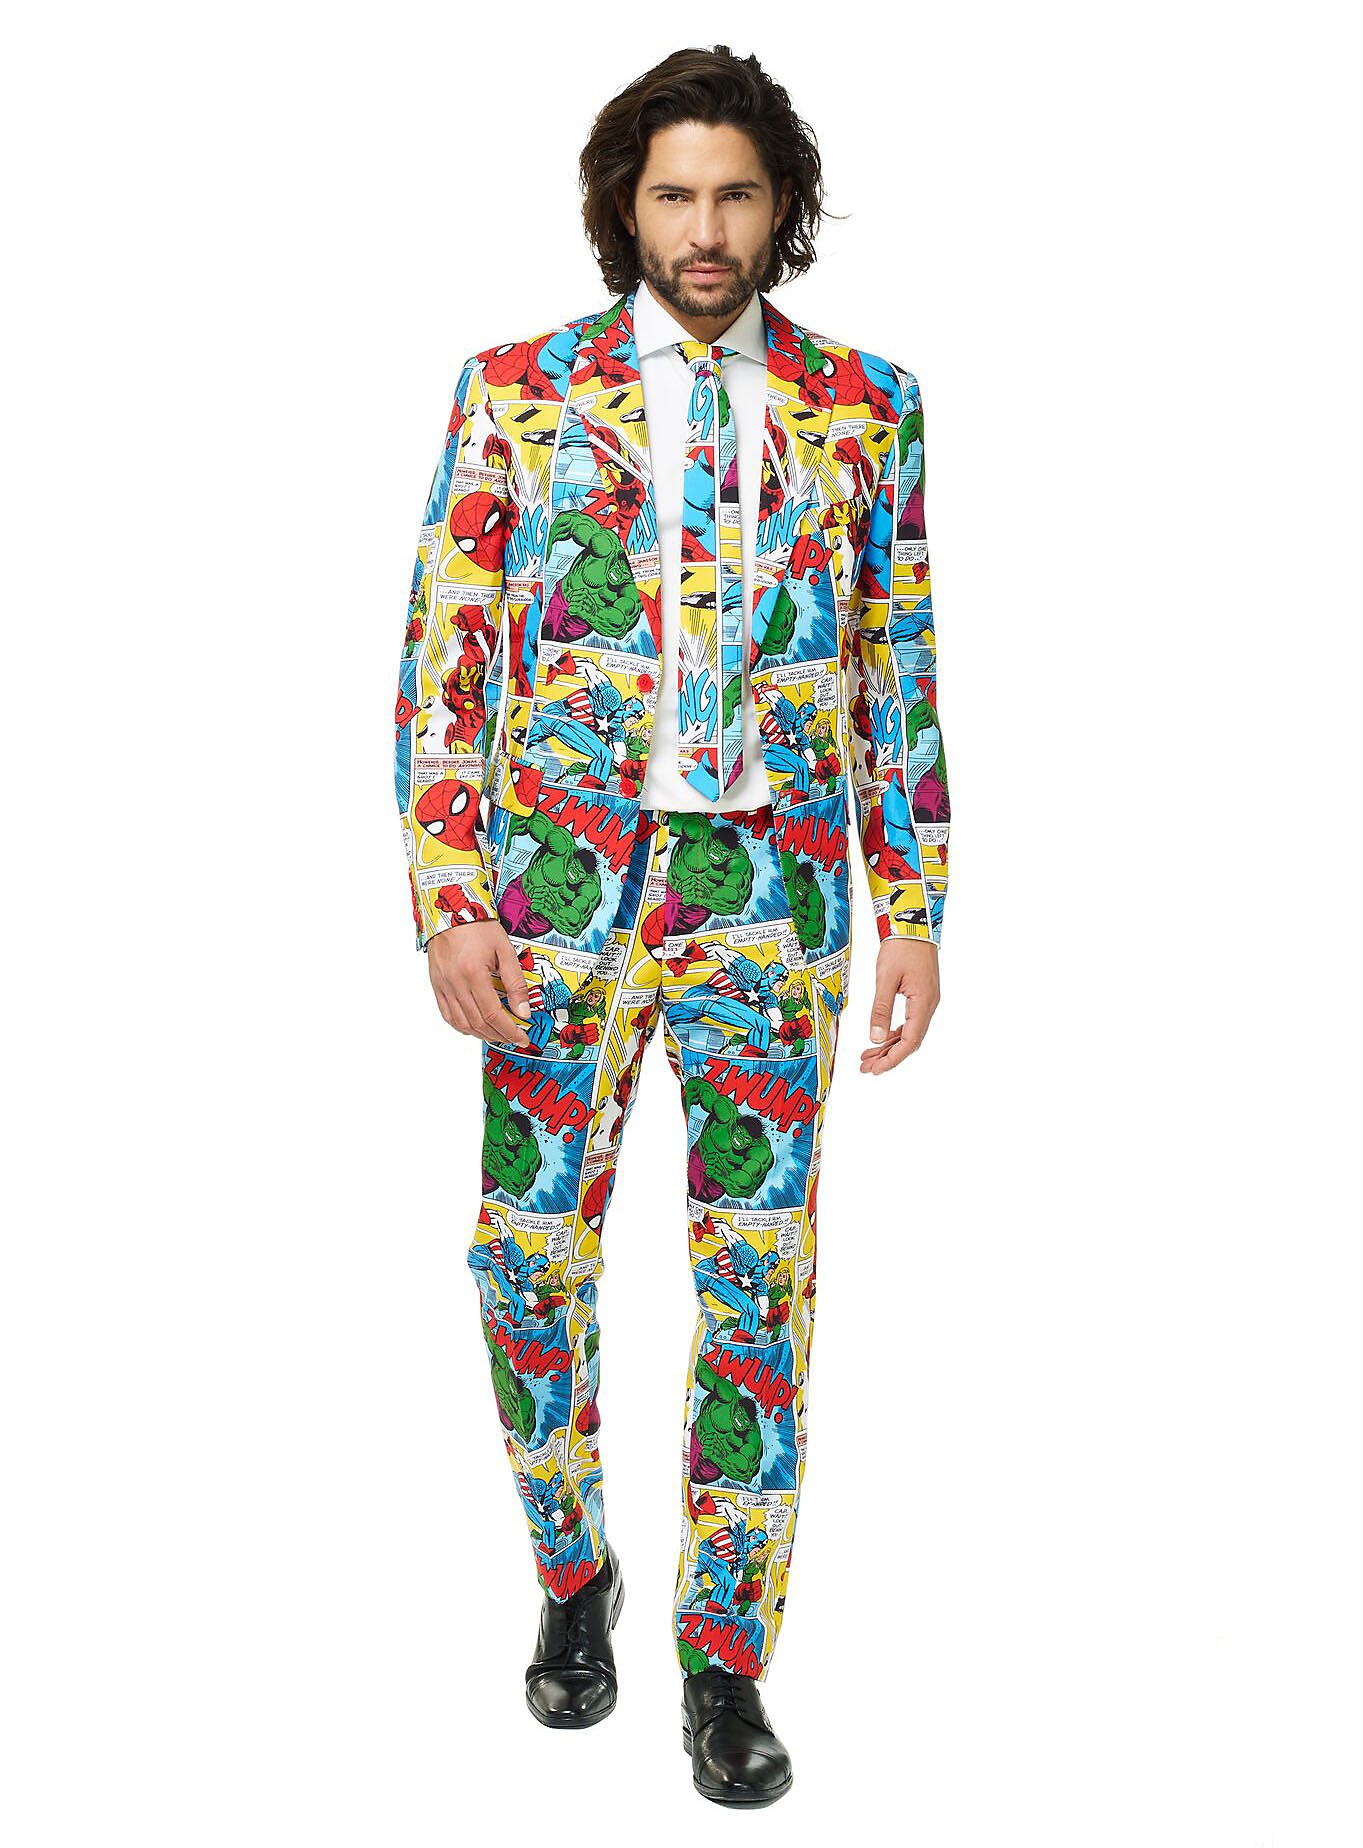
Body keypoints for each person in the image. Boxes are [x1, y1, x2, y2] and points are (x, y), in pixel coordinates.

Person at [392, 43, 949, 1809]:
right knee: (526, 1255)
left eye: (735, 195)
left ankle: (727, 1659)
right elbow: (447, 657)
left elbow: (897, 665)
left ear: (780, 209)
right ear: (624, 210)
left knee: (756, 1277)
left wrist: (916, 900)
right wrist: (450, 898)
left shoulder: (867, 405)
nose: (705, 230)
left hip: (773, 898)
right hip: (559, 903)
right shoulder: (517, 393)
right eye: (673, 196)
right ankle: (575, 1574)